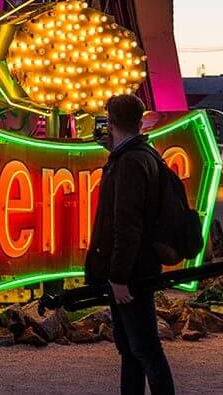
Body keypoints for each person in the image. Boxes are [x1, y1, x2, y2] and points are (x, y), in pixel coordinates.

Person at [85, 93, 175, 395]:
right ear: (139, 121)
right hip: (138, 266)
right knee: (131, 350)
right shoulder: (143, 155)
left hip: (132, 272)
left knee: (146, 349)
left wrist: (119, 277)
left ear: (111, 123)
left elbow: (127, 225)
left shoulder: (129, 163)